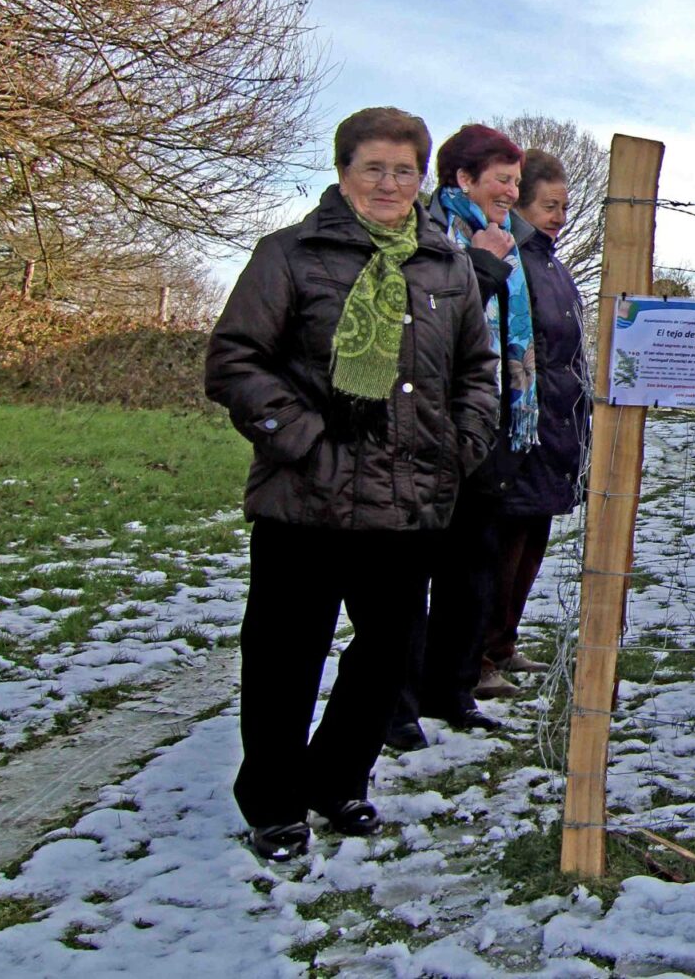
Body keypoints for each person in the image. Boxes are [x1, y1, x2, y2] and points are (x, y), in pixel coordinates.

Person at [205, 107, 498, 861]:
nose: (389, 183)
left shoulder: (447, 266)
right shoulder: (291, 255)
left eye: (405, 170)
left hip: (409, 501)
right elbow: (236, 360)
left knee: (384, 655)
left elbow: (476, 372)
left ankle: (339, 779)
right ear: (343, 172)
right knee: (284, 655)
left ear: (422, 179)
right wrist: (304, 441)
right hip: (305, 498)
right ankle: (273, 801)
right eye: (374, 167)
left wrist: (461, 447)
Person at [387, 123, 532, 744]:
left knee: (473, 569)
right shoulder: (428, 235)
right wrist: (485, 267)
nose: (511, 190)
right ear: (462, 178)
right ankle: (394, 703)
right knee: (409, 573)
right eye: (501, 178)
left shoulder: (505, 241)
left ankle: (453, 687)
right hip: (431, 427)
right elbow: (430, 324)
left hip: (490, 421)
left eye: (517, 181)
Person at [480, 149, 592, 686]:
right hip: (518, 423)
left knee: (531, 541)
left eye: (565, 207)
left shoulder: (550, 261)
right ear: (522, 203)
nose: (561, 217)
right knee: (500, 546)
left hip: (556, 423)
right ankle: (475, 655)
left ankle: (502, 643)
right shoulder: (509, 256)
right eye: (551, 205)